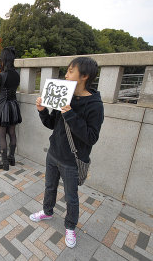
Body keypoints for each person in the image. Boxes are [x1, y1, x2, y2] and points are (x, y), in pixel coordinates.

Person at [29, 57, 104, 248]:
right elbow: (52, 124)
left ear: (84, 76)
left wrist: (70, 114)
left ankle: (70, 227)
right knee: (49, 187)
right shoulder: (65, 95)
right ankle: (47, 210)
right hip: (54, 153)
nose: (66, 74)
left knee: (71, 197)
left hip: (72, 160)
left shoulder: (94, 104)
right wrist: (42, 111)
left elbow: (91, 137)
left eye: (71, 71)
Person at [0, 47, 22, 170]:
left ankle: (4, 162)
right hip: (13, 106)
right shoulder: (17, 75)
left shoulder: (1, 76)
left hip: (2, 107)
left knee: (2, 135)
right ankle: (11, 158)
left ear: (3, 60)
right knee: (12, 133)